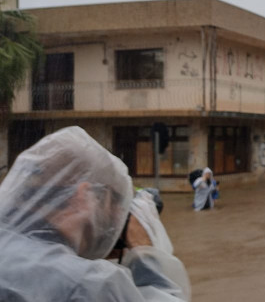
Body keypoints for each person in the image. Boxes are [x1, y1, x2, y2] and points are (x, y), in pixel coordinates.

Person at [0, 126, 190, 301]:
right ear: (82, 196)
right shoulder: (90, 285)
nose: (114, 225)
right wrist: (144, 250)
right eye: (115, 200)